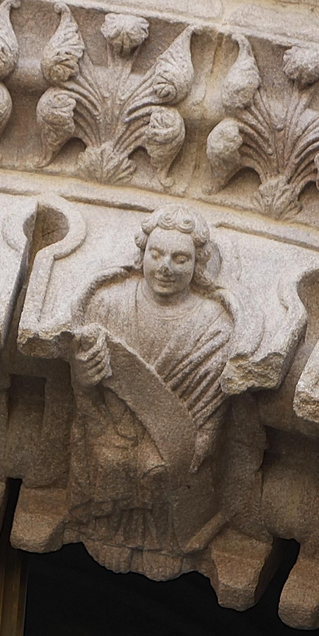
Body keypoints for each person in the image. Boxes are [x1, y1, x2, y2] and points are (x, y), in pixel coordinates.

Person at [63, 206, 239, 575]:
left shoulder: (212, 326)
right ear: (142, 254)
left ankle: (165, 537)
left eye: (180, 259)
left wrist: (202, 441)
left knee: (157, 468)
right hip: (110, 426)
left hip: (172, 438)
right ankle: (107, 526)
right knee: (110, 460)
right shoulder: (109, 303)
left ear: (198, 264)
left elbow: (211, 403)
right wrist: (83, 377)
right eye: (156, 254)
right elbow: (85, 385)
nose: (165, 267)